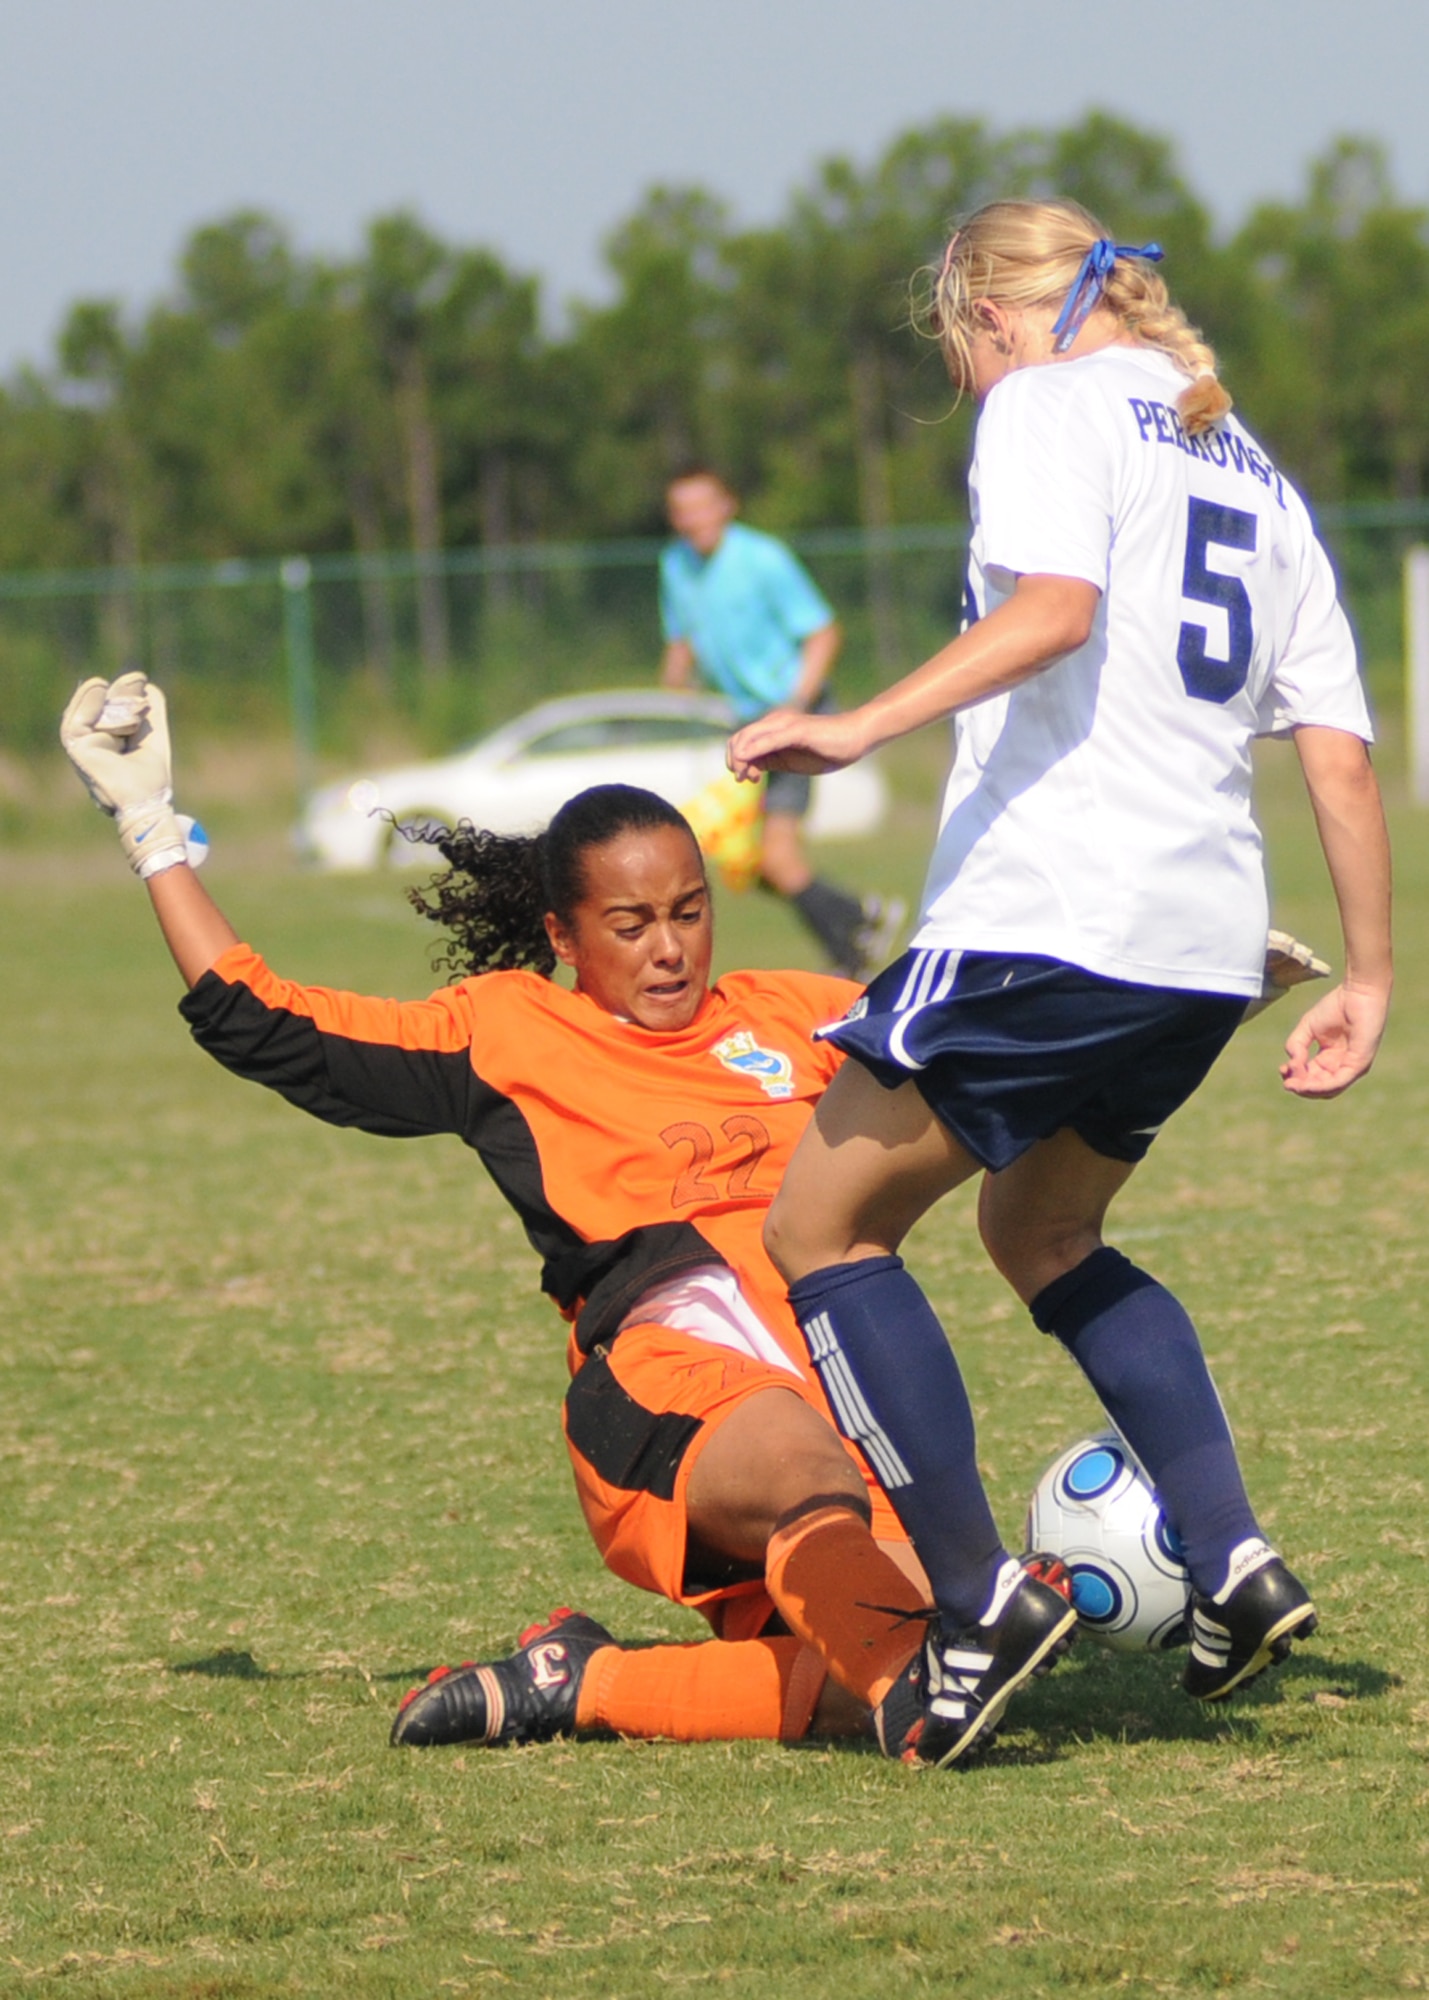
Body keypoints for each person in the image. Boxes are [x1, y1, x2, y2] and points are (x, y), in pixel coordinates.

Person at [728, 199, 1392, 1767]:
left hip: (1052, 911)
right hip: (1200, 942)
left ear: (992, 316)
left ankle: (974, 1601)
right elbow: (1343, 757)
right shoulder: (1255, 468)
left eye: (955, 348)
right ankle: (1227, 1560)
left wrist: (853, 728)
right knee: (1039, 1227)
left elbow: (1053, 616)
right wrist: (1368, 973)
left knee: (818, 1227)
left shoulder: (1044, 401)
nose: (966, 379)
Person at [59, 671, 981, 1759]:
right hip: (667, 1388)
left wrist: (1178, 990)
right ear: (562, 932)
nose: (670, 949)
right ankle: (917, 1682)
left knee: (908, 1655)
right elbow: (265, 1021)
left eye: (689, 912)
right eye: (630, 924)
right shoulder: (508, 1032)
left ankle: (584, 1681)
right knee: (825, 1506)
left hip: (840, 1393)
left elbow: (980, 1034)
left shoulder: (796, 1013)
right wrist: (151, 829)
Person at [660, 465, 903, 977]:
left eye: (703, 505)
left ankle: (855, 937)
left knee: (776, 858)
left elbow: (822, 632)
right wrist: (676, 669)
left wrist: (796, 704)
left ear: (727, 505)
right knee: (744, 865)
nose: (693, 519)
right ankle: (859, 923)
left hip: (796, 717)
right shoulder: (675, 566)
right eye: (682, 510)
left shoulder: (761, 558)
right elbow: (680, 640)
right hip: (748, 726)